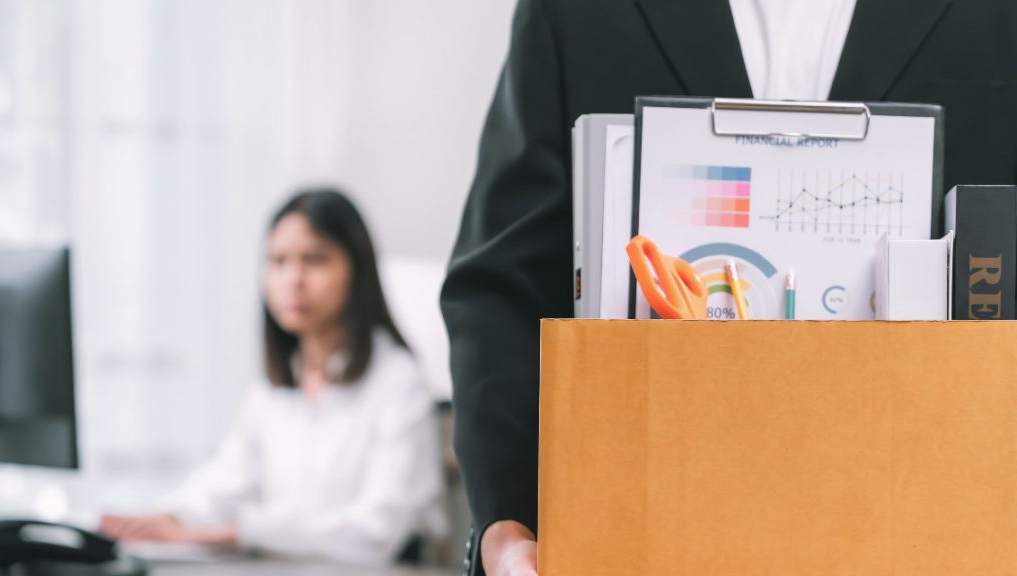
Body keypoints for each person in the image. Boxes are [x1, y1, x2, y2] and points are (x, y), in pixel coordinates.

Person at [440, 1, 1017, 575]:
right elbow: (501, 285)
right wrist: (508, 524)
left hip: (926, 530)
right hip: (646, 528)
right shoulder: (572, 11)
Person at [101, 189, 445, 566]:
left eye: (314, 260)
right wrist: (160, 519)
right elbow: (223, 485)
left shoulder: (398, 382)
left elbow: (375, 534)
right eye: (278, 261)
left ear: (357, 270)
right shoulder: (276, 386)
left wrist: (238, 532)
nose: (292, 279)